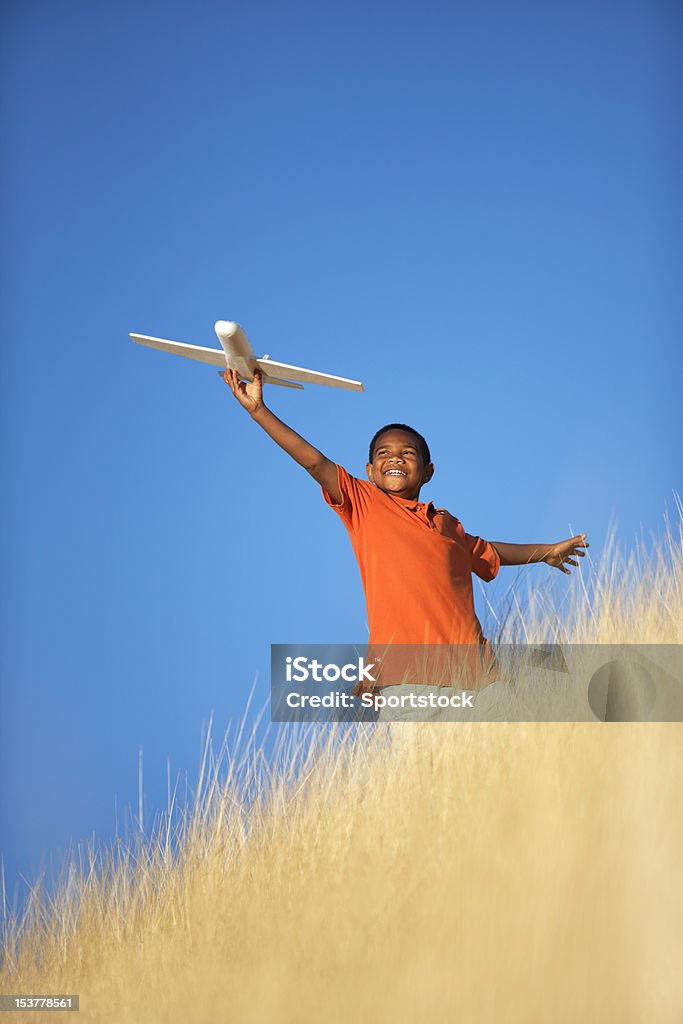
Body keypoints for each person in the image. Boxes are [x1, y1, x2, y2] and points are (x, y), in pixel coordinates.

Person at [223, 367, 588, 717]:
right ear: (369, 471)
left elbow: (489, 552)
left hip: (477, 679)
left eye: (408, 453)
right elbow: (315, 462)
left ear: (428, 471)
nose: (395, 457)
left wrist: (546, 552)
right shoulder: (364, 503)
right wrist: (259, 411)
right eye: (383, 453)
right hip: (407, 679)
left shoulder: (447, 525)